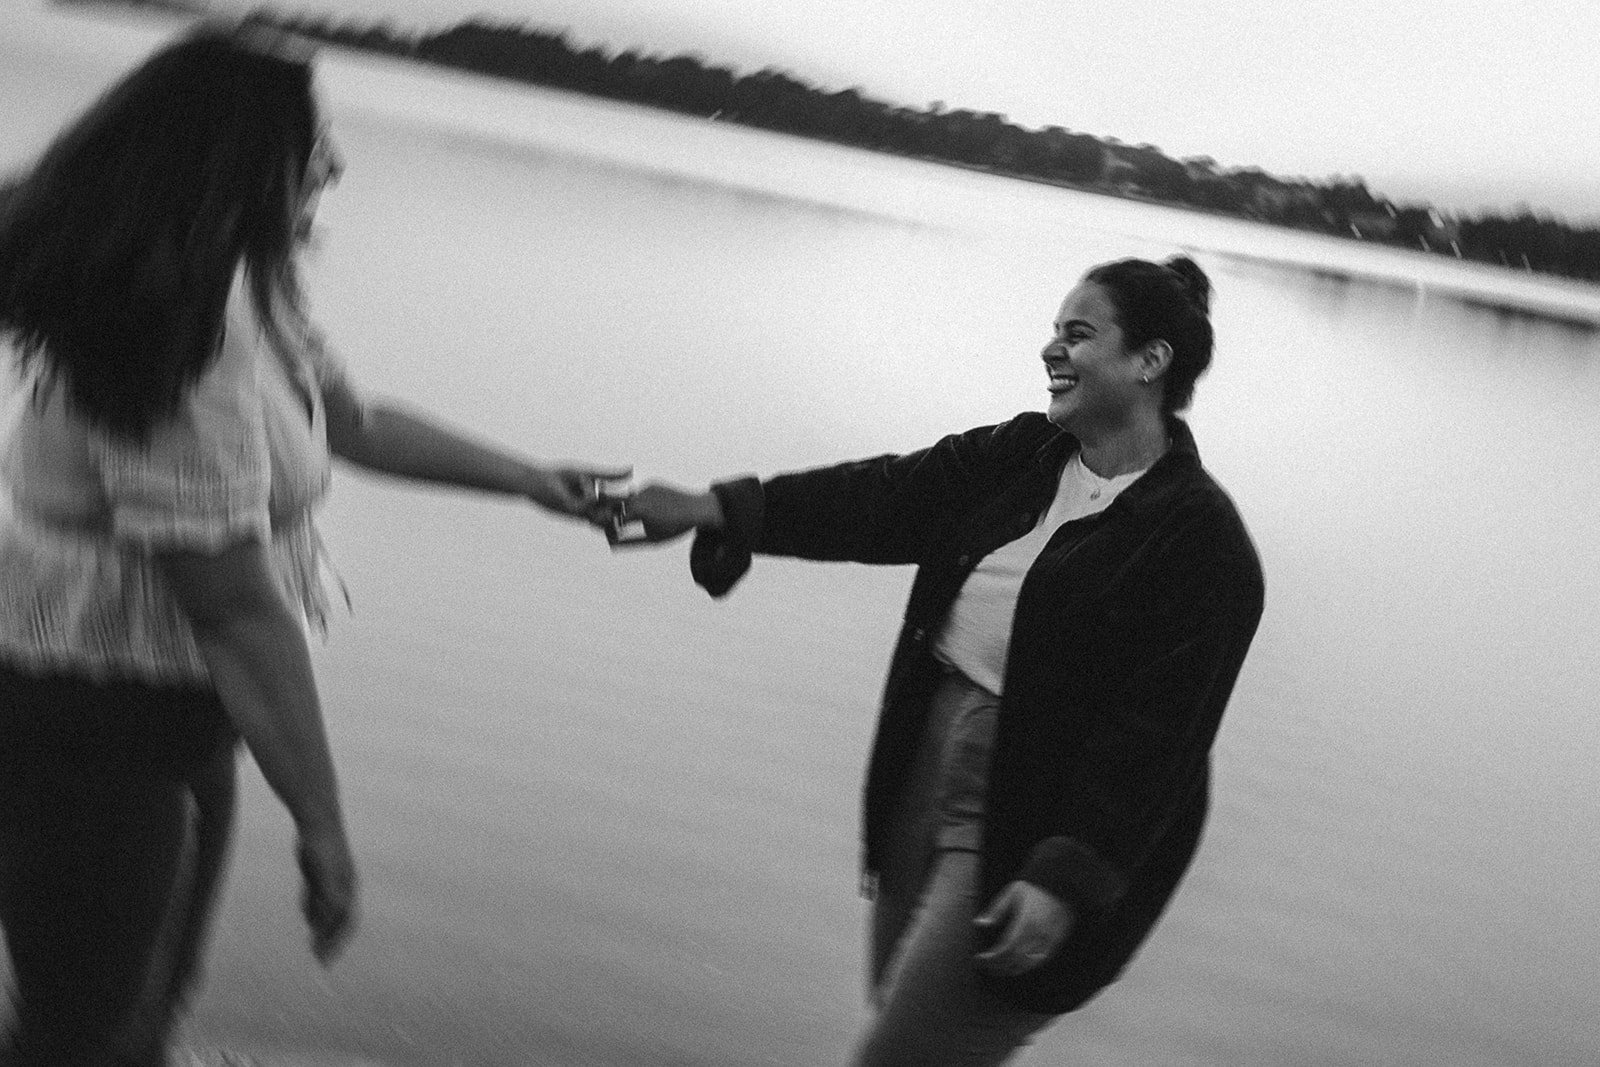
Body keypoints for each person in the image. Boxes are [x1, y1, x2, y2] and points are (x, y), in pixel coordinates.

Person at [0, 25, 621, 1065]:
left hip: (169, 711)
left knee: (147, 1007)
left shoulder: (243, 285)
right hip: (82, 727)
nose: (335, 164)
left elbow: (355, 419)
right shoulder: (174, 333)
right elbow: (236, 610)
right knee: (77, 1028)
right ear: (238, 160)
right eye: (315, 143)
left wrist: (528, 479)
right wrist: (325, 825)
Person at [611, 255, 1265, 1065]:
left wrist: (1068, 875)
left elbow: (1158, 739)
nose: (1050, 350)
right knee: (902, 1016)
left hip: (1032, 808)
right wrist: (717, 508)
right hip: (923, 758)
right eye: (1054, 332)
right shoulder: (1022, 456)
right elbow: (881, 497)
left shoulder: (1200, 541)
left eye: (1079, 334)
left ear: (1150, 360)